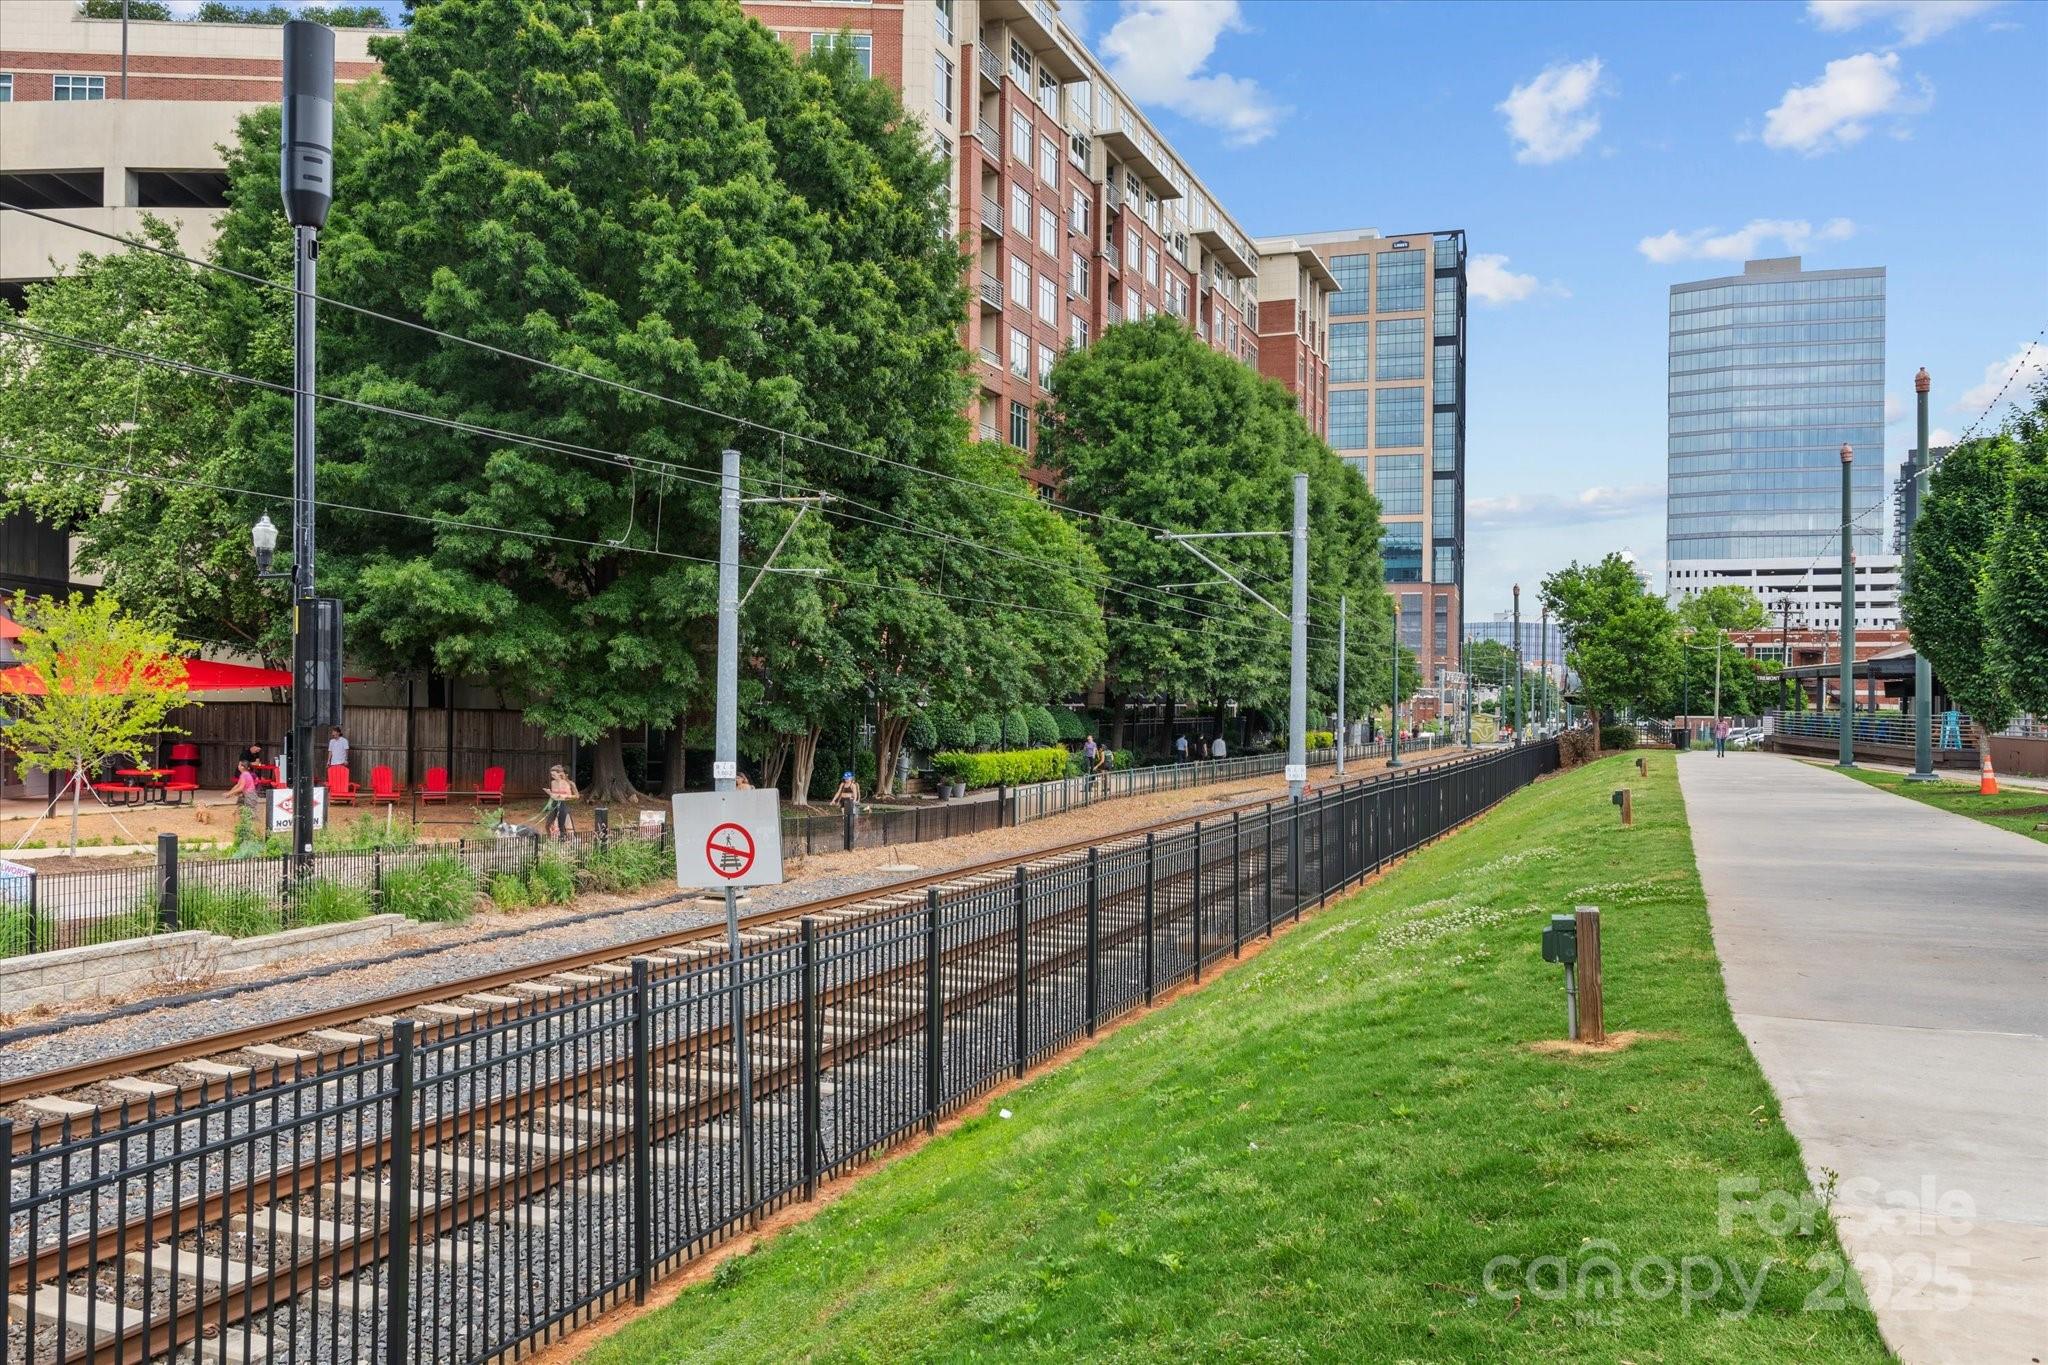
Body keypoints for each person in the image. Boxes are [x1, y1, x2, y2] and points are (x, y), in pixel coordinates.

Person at [542, 764, 578, 840]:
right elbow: (554, 796)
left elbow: (576, 796)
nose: (552, 776)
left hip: (563, 805)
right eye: (551, 775)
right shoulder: (553, 783)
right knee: (548, 825)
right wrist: (550, 793)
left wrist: (565, 797)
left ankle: (564, 840)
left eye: (554, 774)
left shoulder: (569, 783)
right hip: (554, 804)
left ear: (560, 774)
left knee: (563, 825)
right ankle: (551, 840)